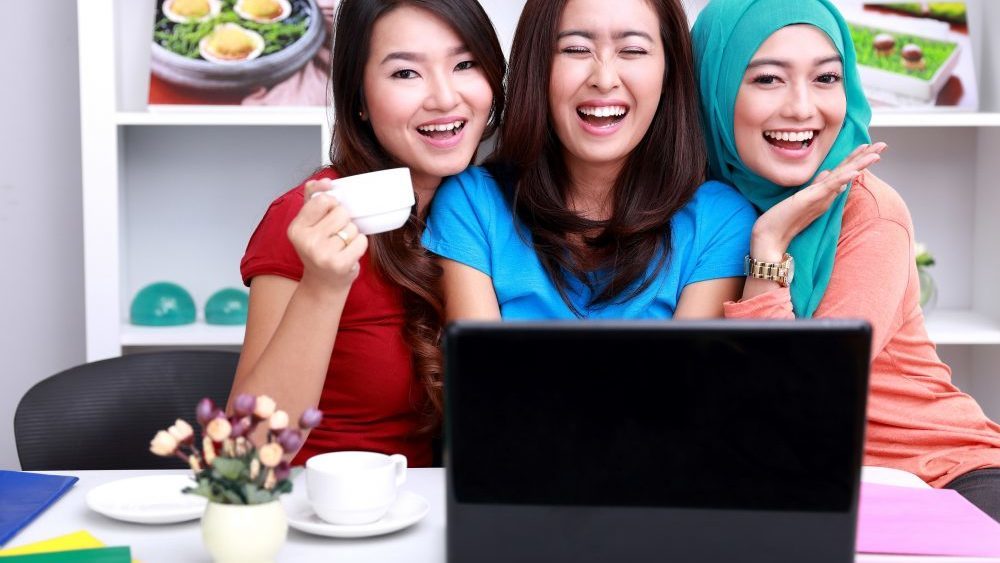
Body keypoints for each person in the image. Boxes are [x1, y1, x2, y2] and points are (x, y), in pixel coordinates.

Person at [692, 0, 1000, 520]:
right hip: (809, 483)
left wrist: (768, 249)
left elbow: (798, 407)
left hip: (943, 475)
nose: (802, 107)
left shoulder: (870, 215)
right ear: (713, 88)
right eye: (768, 79)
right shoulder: (698, 209)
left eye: (826, 78)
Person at [229, 0, 506, 467]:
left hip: (435, 512)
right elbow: (246, 452)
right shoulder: (312, 218)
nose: (443, 97)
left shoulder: (491, 208)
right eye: (405, 73)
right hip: (320, 512)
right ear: (358, 98)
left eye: (464, 64)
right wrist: (323, 286)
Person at [423, 0, 756, 321]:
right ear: (538, 67)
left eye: (633, 51)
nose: (604, 78)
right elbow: (480, 375)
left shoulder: (718, 220)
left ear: (669, 72)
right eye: (576, 49)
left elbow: (687, 377)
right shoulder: (473, 203)